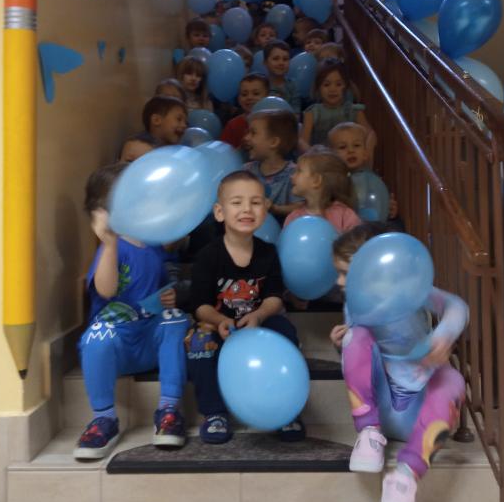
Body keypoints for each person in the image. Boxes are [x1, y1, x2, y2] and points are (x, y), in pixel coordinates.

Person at [329, 222, 467, 502]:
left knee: (454, 381)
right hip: (381, 407)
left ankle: (405, 476)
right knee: (357, 336)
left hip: (420, 411)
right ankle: (368, 433)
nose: (338, 281)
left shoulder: (410, 290)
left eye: (345, 273)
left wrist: (444, 335)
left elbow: (456, 306)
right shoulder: (354, 303)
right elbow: (361, 358)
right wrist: (343, 343)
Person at [74, 163, 189, 459]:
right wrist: (109, 244)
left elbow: (161, 287)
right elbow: (106, 290)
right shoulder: (111, 248)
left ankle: (169, 410)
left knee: (176, 321)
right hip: (119, 347)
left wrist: (168, 296)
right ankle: (104, 419)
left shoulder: (152, 245)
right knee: (96, 336)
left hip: (149, 341)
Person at [186, 170, 305, 443]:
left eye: (255, 202)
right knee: (198, 340)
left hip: (258, 324)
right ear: (220, 212)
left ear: (265, 209)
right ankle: (214, 413)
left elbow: (274, 297)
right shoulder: (207, 256)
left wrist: (259, 315)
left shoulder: (268, 252)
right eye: (237, 202)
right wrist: (219, 321)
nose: (247, 209)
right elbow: (200, 305)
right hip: (220, 325)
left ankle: (285, 410)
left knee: (285, 331)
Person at [328, 122, 395, 223]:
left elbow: (378, 202)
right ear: (332, 155)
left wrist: (389, 207)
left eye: (356, 145)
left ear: (365, 153)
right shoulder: (333, 181)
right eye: (342, 147)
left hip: (370, 225)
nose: (351, 150)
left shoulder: (372, 180)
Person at [243, 109, 302, 222]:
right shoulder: (246, 171)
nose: (246, 137)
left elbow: (300, 208)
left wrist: (275, 209)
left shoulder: (294, 174)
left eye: (253, 133)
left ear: (273, 142)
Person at [285, 147, 361, 233]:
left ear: (316, 180)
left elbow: (357, 240)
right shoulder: (293, 218)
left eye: (299, 171)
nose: (292, 176)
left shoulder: (345, 216)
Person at [301, 60, 370, 148]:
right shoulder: (312, 113)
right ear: (318, 87)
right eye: (326, 85)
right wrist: (311, 152)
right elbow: (302, 141)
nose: (332, 89)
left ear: (345, 86)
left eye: (338, 84)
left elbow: (370, 134)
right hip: (322, 155)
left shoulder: (354, 111)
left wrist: (368, 150)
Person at [221, 74, 270, 151]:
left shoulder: (274, 123)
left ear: (267, 96)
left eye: (256, 93)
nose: (249, 97)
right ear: (238, 98)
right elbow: (224, 153)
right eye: (244, 94)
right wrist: (241, 149)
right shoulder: (232, 126)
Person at [263, 40, 300, 114]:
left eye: (285, 59)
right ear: (265, 62)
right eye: (276, 59)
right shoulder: (260, 84)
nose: (281, 63)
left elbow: (296, 113)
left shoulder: (292, 85)